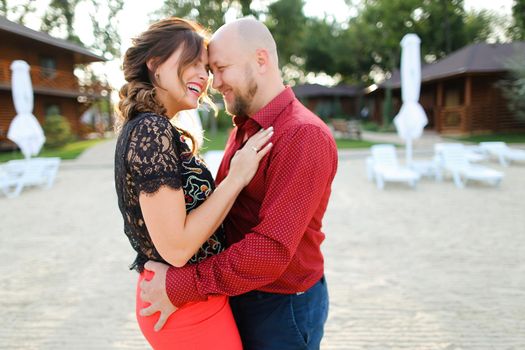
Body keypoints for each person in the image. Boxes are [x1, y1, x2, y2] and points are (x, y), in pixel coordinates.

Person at [139, 18, 338, 350]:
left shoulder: (303, 135)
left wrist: (182, 285)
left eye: (221, 68)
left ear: (261, 60)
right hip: (242, 292)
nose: (213, 83)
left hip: (281, 304)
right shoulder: (245, 126)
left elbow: (270, 250)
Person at [113, 17, 273, 349]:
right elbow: (178, 247)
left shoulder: (154, 128)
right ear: (154, 65)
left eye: (207, 68)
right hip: (183, 309)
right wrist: (237, 178)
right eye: (192, 63)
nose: (204, 76)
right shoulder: (150, 130)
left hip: (188, 299)